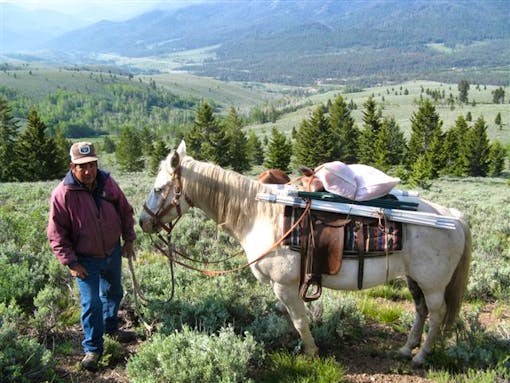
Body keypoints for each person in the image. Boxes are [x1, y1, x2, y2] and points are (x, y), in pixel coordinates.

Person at [47, 141, 137, 371]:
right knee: (92, 303)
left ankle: (110, 328)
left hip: (112, 250)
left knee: (114, 291)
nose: (88, 171)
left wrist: (128, 239)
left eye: (92, 165)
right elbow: (56, 234)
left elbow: (125, 209)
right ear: (72, 167)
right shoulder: (63, 194)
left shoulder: (107, 182)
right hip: (85, 259)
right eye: (82, 166)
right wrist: (71, 262)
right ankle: (93, 348)